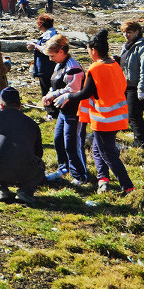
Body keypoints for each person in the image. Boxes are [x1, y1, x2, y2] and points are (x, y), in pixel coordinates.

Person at [56, 30, 134, 195]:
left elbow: (85, 93)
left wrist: (68, 96)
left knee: (107, 153)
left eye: (88, 50)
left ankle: (127, 186)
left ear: (94, 50)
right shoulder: (114, 64)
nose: (89, 53)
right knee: (98, 150)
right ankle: (103, 179)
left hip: (104, 118)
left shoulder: (95, 68)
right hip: (117, 115)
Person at [41, 34, 88, 185]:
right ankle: (63, 169)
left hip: (75, 111)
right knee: (58, 140)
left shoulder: (73, 66)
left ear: (62, 51)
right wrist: (49, 93)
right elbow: (55, 83)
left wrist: (53, 94)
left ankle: (80, 175)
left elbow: (73, 88)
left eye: (52, 55)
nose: (50, 59)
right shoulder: (59, 64)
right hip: (63, 110)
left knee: (72, 143)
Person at [0, 87, 46, 204]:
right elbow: (39, 153)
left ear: (1, 105)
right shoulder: (31, 123)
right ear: (19, 105)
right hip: (24, 171)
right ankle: (25, 191)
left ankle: (1, 189)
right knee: (41, 166)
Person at [117, 20, 144, 150]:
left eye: (129, 32)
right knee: (129, 113)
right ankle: (136, 140)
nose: (126, 35)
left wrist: (142, 88)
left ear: (137, 32)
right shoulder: (128, 46)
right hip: (127, 85)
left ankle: (142, 144)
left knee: (135, 115)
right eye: (124, 32)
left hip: (137, 87)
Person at [27, 14, 58, 114]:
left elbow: (46, 49)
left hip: (46, 67)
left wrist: (35, 46)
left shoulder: (48, 35)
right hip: (49, 67)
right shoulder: (51, 33)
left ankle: (51, 112)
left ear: (41, 24)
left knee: (46, 90)